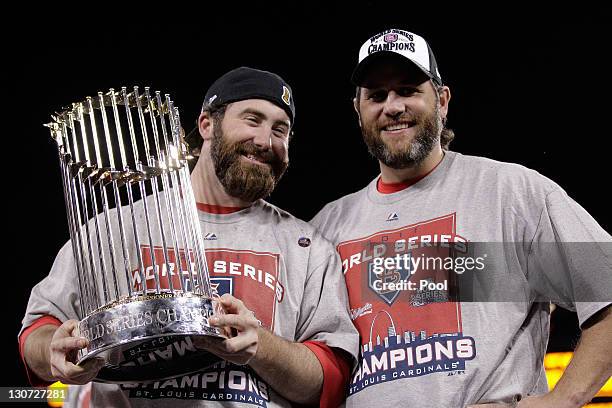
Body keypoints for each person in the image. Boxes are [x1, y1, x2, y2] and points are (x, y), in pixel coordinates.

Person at [20, 66, 358, 408]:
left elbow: (329, 379)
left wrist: (261, 345)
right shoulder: (115, 227)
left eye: (280, 130)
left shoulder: (307, 247)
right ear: (207, 124)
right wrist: (52, 349)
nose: (265, 141)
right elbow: (38, 330)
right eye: (252, 120)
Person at [310, 29, 612, 407]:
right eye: (376, 95)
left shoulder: (510, 193)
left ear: (442, 101)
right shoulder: (327, 227)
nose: (392, 106)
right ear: (358, 112)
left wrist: (565, 398)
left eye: (407, 90)